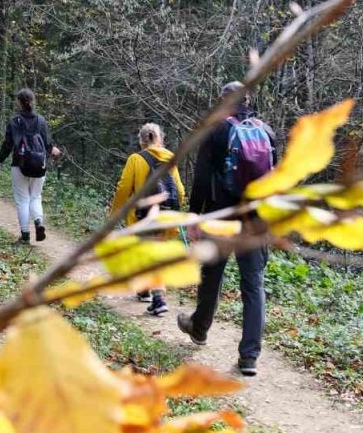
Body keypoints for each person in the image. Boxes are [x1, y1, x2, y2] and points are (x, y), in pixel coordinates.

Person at [178, 81, 278, 377]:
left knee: (211, 276)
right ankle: (249, 357)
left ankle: (200, 329)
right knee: (253, 286)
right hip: (256, 221)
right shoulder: (268, 132)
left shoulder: (217, 131)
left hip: (221, 217)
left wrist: (194, 217)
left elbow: (201, 179)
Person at [109, 123, 187, 317]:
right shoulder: (170, 158)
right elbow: (180, 190)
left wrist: (115, 212)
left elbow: (124, 188)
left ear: (141, 140)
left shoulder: (135, 159)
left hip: (142, 215)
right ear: (160, 138)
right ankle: (145, 290)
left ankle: (158, 298)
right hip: (166, 215)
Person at [0, 88, 61, 244]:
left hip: (19, 164)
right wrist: (53, 151)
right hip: (39, 165)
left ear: (19, 102)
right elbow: (47, 144)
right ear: (32, 101)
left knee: (22, 200)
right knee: (36, 197)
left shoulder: (14, 122)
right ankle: (38, 221)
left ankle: (25, 236)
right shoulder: (41, 120)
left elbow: (8, 144)